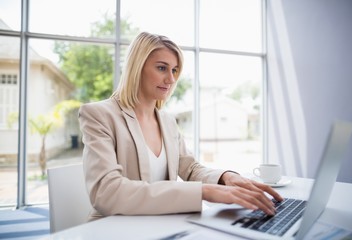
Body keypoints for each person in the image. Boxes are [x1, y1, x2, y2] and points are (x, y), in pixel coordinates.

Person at [78, 32, 283, 221]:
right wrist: (204, 192)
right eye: (161, 68)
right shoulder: (99, 115)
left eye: (175, 70)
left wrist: (225, 178)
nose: (171, 79)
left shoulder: (167, 121)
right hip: (114, 228)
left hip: (160, 225)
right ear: (137, 67)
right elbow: (107, 192)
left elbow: (190, 169)